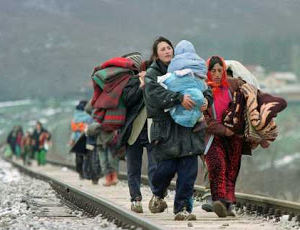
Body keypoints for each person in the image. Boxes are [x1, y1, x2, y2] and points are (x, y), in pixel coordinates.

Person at [144, 37, 212, 220]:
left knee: (188, 170)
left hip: (190, 128)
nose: (167, 51)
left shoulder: (190, 67)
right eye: (162, 49)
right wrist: (178, 98)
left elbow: (204, 88)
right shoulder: (153, 73)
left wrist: (206, 100)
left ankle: (182, 209)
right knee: (165, 168)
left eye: (169, 48)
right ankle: (158, 193)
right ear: (156, 54)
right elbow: (153, 94)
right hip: (167, 128)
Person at [204, 56, 250, 218]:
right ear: (207, 72)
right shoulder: (203, 90)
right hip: (213, 136)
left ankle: (228, 204)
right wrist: (224, 130)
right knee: (217, 165)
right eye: (213, 71)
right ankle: (219, 200)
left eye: (220, 71)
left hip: (234, 138)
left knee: (232, 170)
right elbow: (204, 119)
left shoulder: (231, 85)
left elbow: (246, 88)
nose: (217, 74)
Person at [118, 52, 156, 213]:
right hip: (133, 131)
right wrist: (141, 85)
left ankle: (157, 196)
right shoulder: (127, 83)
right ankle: (136, 199)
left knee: (155, 166)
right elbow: (128, 101)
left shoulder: (151, 77)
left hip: (151, 129)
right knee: (134, 168)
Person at [69, 100, 93, 179]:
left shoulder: (75, 118)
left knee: (79, 156)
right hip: (88, 139)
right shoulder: (90, 116)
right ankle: (88, 173)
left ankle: (81, 173)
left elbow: (74, 131)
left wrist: (72, 139)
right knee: (89, 156)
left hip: (78, 141)